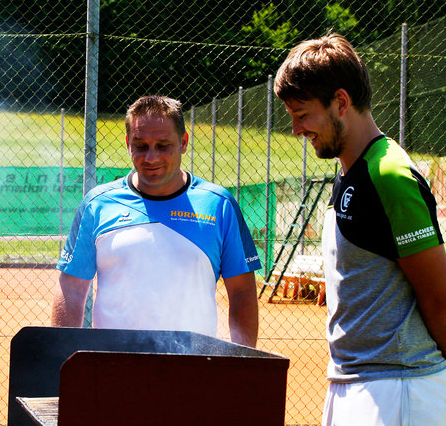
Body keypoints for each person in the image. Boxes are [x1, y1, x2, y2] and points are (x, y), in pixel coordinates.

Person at [275, 34, 446, 425]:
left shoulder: (388, 175)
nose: (296, 129)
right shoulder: (351, 171)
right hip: (357, 381)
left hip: (401, 388)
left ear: (341, 102)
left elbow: (440, 299)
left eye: (302, 114)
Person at [51, 95, 261, 346]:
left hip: (193, 367)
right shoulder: (97, 204)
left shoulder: (219, 205)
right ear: (128, 143)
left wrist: (242, 362)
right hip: (112, 366)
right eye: (141, 146)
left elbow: (242, 293)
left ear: (183, 143)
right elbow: (71, 289)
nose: (151, 158)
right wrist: (60, 360)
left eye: (163, 146)